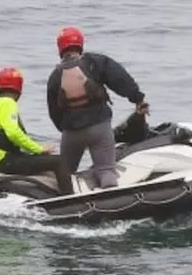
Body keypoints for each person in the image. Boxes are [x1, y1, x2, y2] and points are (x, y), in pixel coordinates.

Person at [46, 26, 149, 191]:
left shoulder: (55, 75)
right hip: (99, 128)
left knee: (66, 174)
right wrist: (137, 98)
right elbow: (120, 79)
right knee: (106, 171)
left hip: (71, 134)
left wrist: (66, 128)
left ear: (60, 48)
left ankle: (64, 203)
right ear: (80, 44)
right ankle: (112, 202)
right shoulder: (95, 62)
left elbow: (54, 112)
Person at [0, 67, 69, 188]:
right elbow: (13, 133)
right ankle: (70, 199)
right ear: (19, 88)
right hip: (2, 161)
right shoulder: (7, 102)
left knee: (41, 159)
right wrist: (38, 149)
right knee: (58, 162)